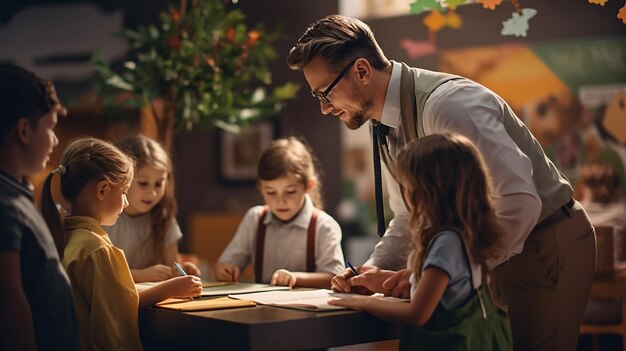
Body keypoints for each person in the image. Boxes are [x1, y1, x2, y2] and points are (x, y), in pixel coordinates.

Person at [288, 14, 595, 351]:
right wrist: (371, 273)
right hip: (498, 253)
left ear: (362, 71)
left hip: (544, 242)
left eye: (325, 94)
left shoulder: (447, 105)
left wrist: (433, 273)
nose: (324, 109)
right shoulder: (383, 124)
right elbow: (407, 216)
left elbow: (519, 202)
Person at [330, 133, 512, 350]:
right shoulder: (465, 233)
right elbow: (443, 292)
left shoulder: (446, 243)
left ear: (424, 191)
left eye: (406, 187)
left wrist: (364, 303)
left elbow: (417, 314)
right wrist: (385, 280)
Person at [40, 137, 202, 350]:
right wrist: (170, 288)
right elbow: (119, 315)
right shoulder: (96, 249)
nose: (125, 203)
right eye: (124, 192)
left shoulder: (68, 237)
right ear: (103, 190)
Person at [0, 64, 79, 351]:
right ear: (24, 130)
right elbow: (10, 301)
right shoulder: (4, 206)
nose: (56, 139)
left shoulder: (17, 194)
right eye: (50, 127)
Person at [215, 136, 344, 288]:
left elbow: (334, 277)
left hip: (307, 310)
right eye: (271, 192)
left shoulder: (324, 226)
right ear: (260, 188)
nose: (280, 201)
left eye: (290, 192)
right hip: (260, 310)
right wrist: (224, 269)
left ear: (308, 186)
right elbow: (222, 265)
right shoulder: (255, 219)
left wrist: (295, 278)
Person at [105, 135, 201, 283]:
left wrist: (181, 271)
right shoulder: (103, 218)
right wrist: (139, 275)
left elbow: (171, 267)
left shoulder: (164, 220)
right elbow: (97, 274)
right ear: (121, 178)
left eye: (158, 184)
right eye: (143, 183)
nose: (153, 193)